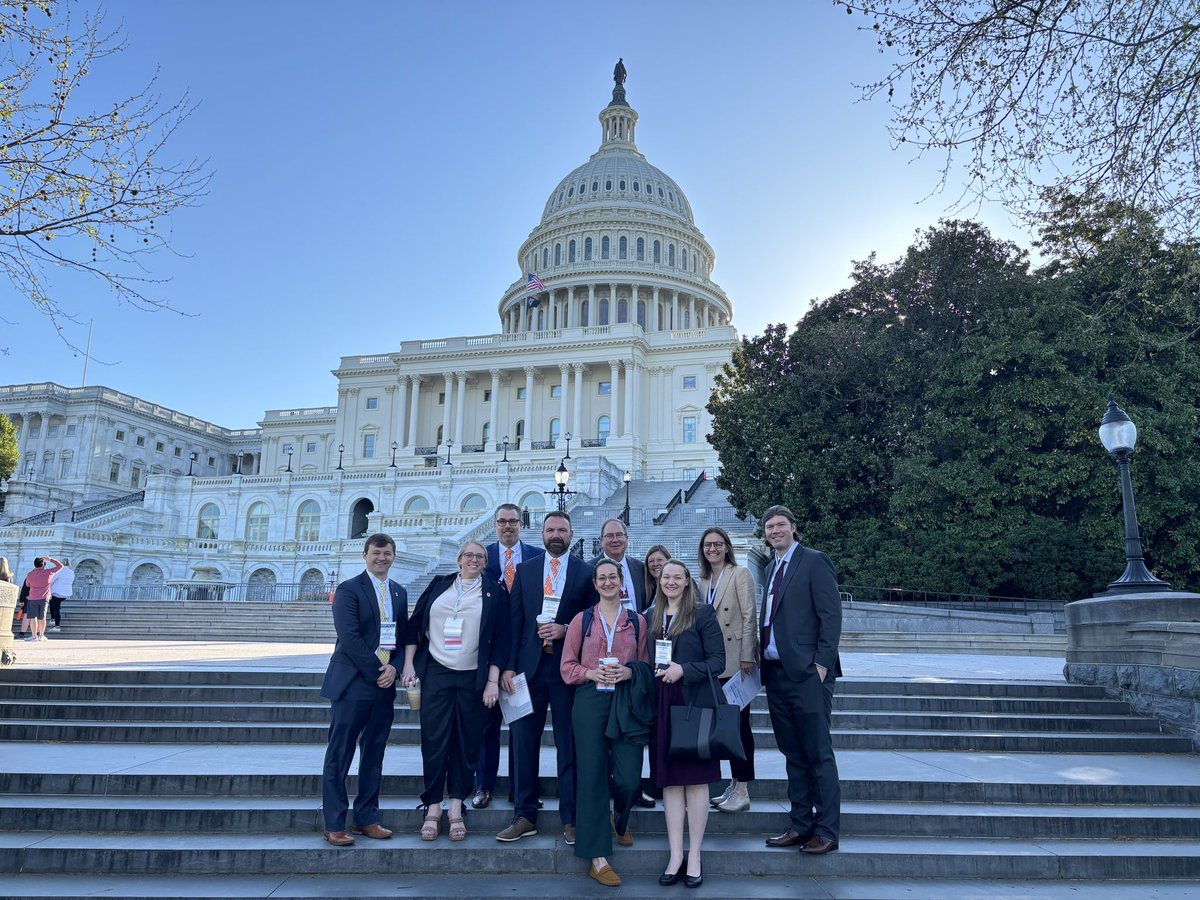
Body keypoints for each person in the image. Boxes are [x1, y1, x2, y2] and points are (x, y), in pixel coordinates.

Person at [498, 510, 597, 845]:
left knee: (569, 744)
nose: (556, 534)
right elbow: (513, 623)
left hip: (567, 672)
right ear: (541, 533)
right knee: (523, 743)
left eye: (563, 530)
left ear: (571, 534)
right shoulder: (524, 571)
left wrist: (566, 628)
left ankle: (570, 817)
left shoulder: (587, 573)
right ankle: (525, 815)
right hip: (527, 671)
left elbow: (593, 622)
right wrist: (508, 667)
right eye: (551, 529)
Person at [402, 540, 509, 841]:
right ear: (459, 559)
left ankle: (457, 806)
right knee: (434, 740)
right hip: (436, 671)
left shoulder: (494, 591)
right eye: (469, 555)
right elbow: (414, 626)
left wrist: (492, 680)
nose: (474, 560)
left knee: (467, 742)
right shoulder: (439, 584)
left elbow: (502, 639)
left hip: (472, 676)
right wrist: (409, 664)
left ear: (485, 562)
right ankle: (433, 806)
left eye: (480, 557)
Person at [560, 560, 650, 886]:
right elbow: (567, 666)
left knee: (628, 777)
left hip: (626, 701)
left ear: (622, 583)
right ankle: (597, 857)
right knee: (592, 775)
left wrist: (629, 671)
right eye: (602, 578)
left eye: (614, 577)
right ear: (595, 584)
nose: (608, 582)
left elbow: (645, 667)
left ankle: (619, 817)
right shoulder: (581, 621)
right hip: (589, 700)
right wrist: (589, 672)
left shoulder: (638, 622)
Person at [759, 504, 843, 855]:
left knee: (817, 753)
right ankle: (800, 824)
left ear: (794, 528)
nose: (775, 531)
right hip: (776, 675)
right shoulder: (769, 568)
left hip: (808, 675)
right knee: (792, 753)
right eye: (769, 527)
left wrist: (821, 666)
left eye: (780, 525)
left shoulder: (813, 561)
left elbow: (831, 615)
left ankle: (826, 830)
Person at [320, 533, 408, 847]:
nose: (381, 558)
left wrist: (395, 667)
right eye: (376, 553)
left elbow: (402, 635)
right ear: (365, 555)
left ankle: (366, 817)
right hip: (354, 683)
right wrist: (377, 671)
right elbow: (350, 636)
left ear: (394, 556)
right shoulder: (348, 589)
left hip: (383, 685)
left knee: (374, 754)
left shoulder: (398, 592)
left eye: (387, 553)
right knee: (340, 754)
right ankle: (334, 823)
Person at [646, 559, 725, 888]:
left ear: (688, 581)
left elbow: (718, 661)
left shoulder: (702, 613)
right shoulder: (652, 615)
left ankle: (695, 856)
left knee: (694, 782)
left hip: (692, 704)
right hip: (662, 705)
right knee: (670, 783)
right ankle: (675, 854)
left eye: (678, 577)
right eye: (666, 577)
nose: (671, 582)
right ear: (660, 580)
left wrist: (684, 670)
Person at [473, 503, 544, 809]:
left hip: (524, 653)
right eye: (502, 522)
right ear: (495, 524)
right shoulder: (481, 557)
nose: (507, 527)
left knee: (520, 727)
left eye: (513, 522)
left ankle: (520, 788)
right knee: (487, 726)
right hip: (488, 650)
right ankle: (484, 786)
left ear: (521, 524)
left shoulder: (537, 558)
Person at [697, 527, 759, 813]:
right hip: (713, 662)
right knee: (725, 727)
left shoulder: (739, 574)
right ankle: (733, 784)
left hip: (735, 661)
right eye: (708, 545)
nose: (713, 549)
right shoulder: (703, 579)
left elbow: (749, 616)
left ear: (726, 547)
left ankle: (743, 788)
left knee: (739, 726)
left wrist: (748, 654)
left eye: (717, 544)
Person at [589, 518, 647, 613]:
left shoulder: (640, 568)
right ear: (601, 541)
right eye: (609, 536)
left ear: (627, 539)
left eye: (619, 535)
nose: (615, 540)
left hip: (636, 625)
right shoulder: (589, 569)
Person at [21, 556, 63, 642]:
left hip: (32, 598)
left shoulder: (30, 574)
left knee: (33, 617)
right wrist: (50, 559)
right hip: (44, 598)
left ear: (35, 565)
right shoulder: (49, 572)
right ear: (44, 565)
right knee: (42, 617)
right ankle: (41, 635)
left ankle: (34, 636)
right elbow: (60, 566)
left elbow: (27, 585)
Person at [48, 558, 74, 633]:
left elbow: (51, 580)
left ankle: (57, 626)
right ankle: (53, 619)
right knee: (53, 604)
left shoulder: (60, 571)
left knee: (56, 608)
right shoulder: (71, 572)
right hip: (66, 592)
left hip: (57, 592)